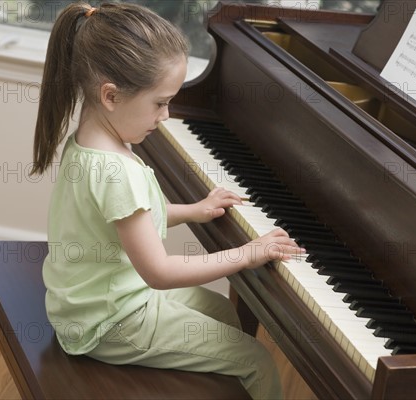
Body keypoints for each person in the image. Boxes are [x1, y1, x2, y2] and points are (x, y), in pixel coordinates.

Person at [31, 2, 303, 399]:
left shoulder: (88, 142)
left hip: (90, 304)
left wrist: (193, 211)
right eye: (160, 102)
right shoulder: (117, 171)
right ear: (111, 96)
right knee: (258, 361)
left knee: (224, 313)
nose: (167, 114)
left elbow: (126, 221)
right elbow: (158, 272)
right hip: (111, 323)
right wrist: (248, 253)